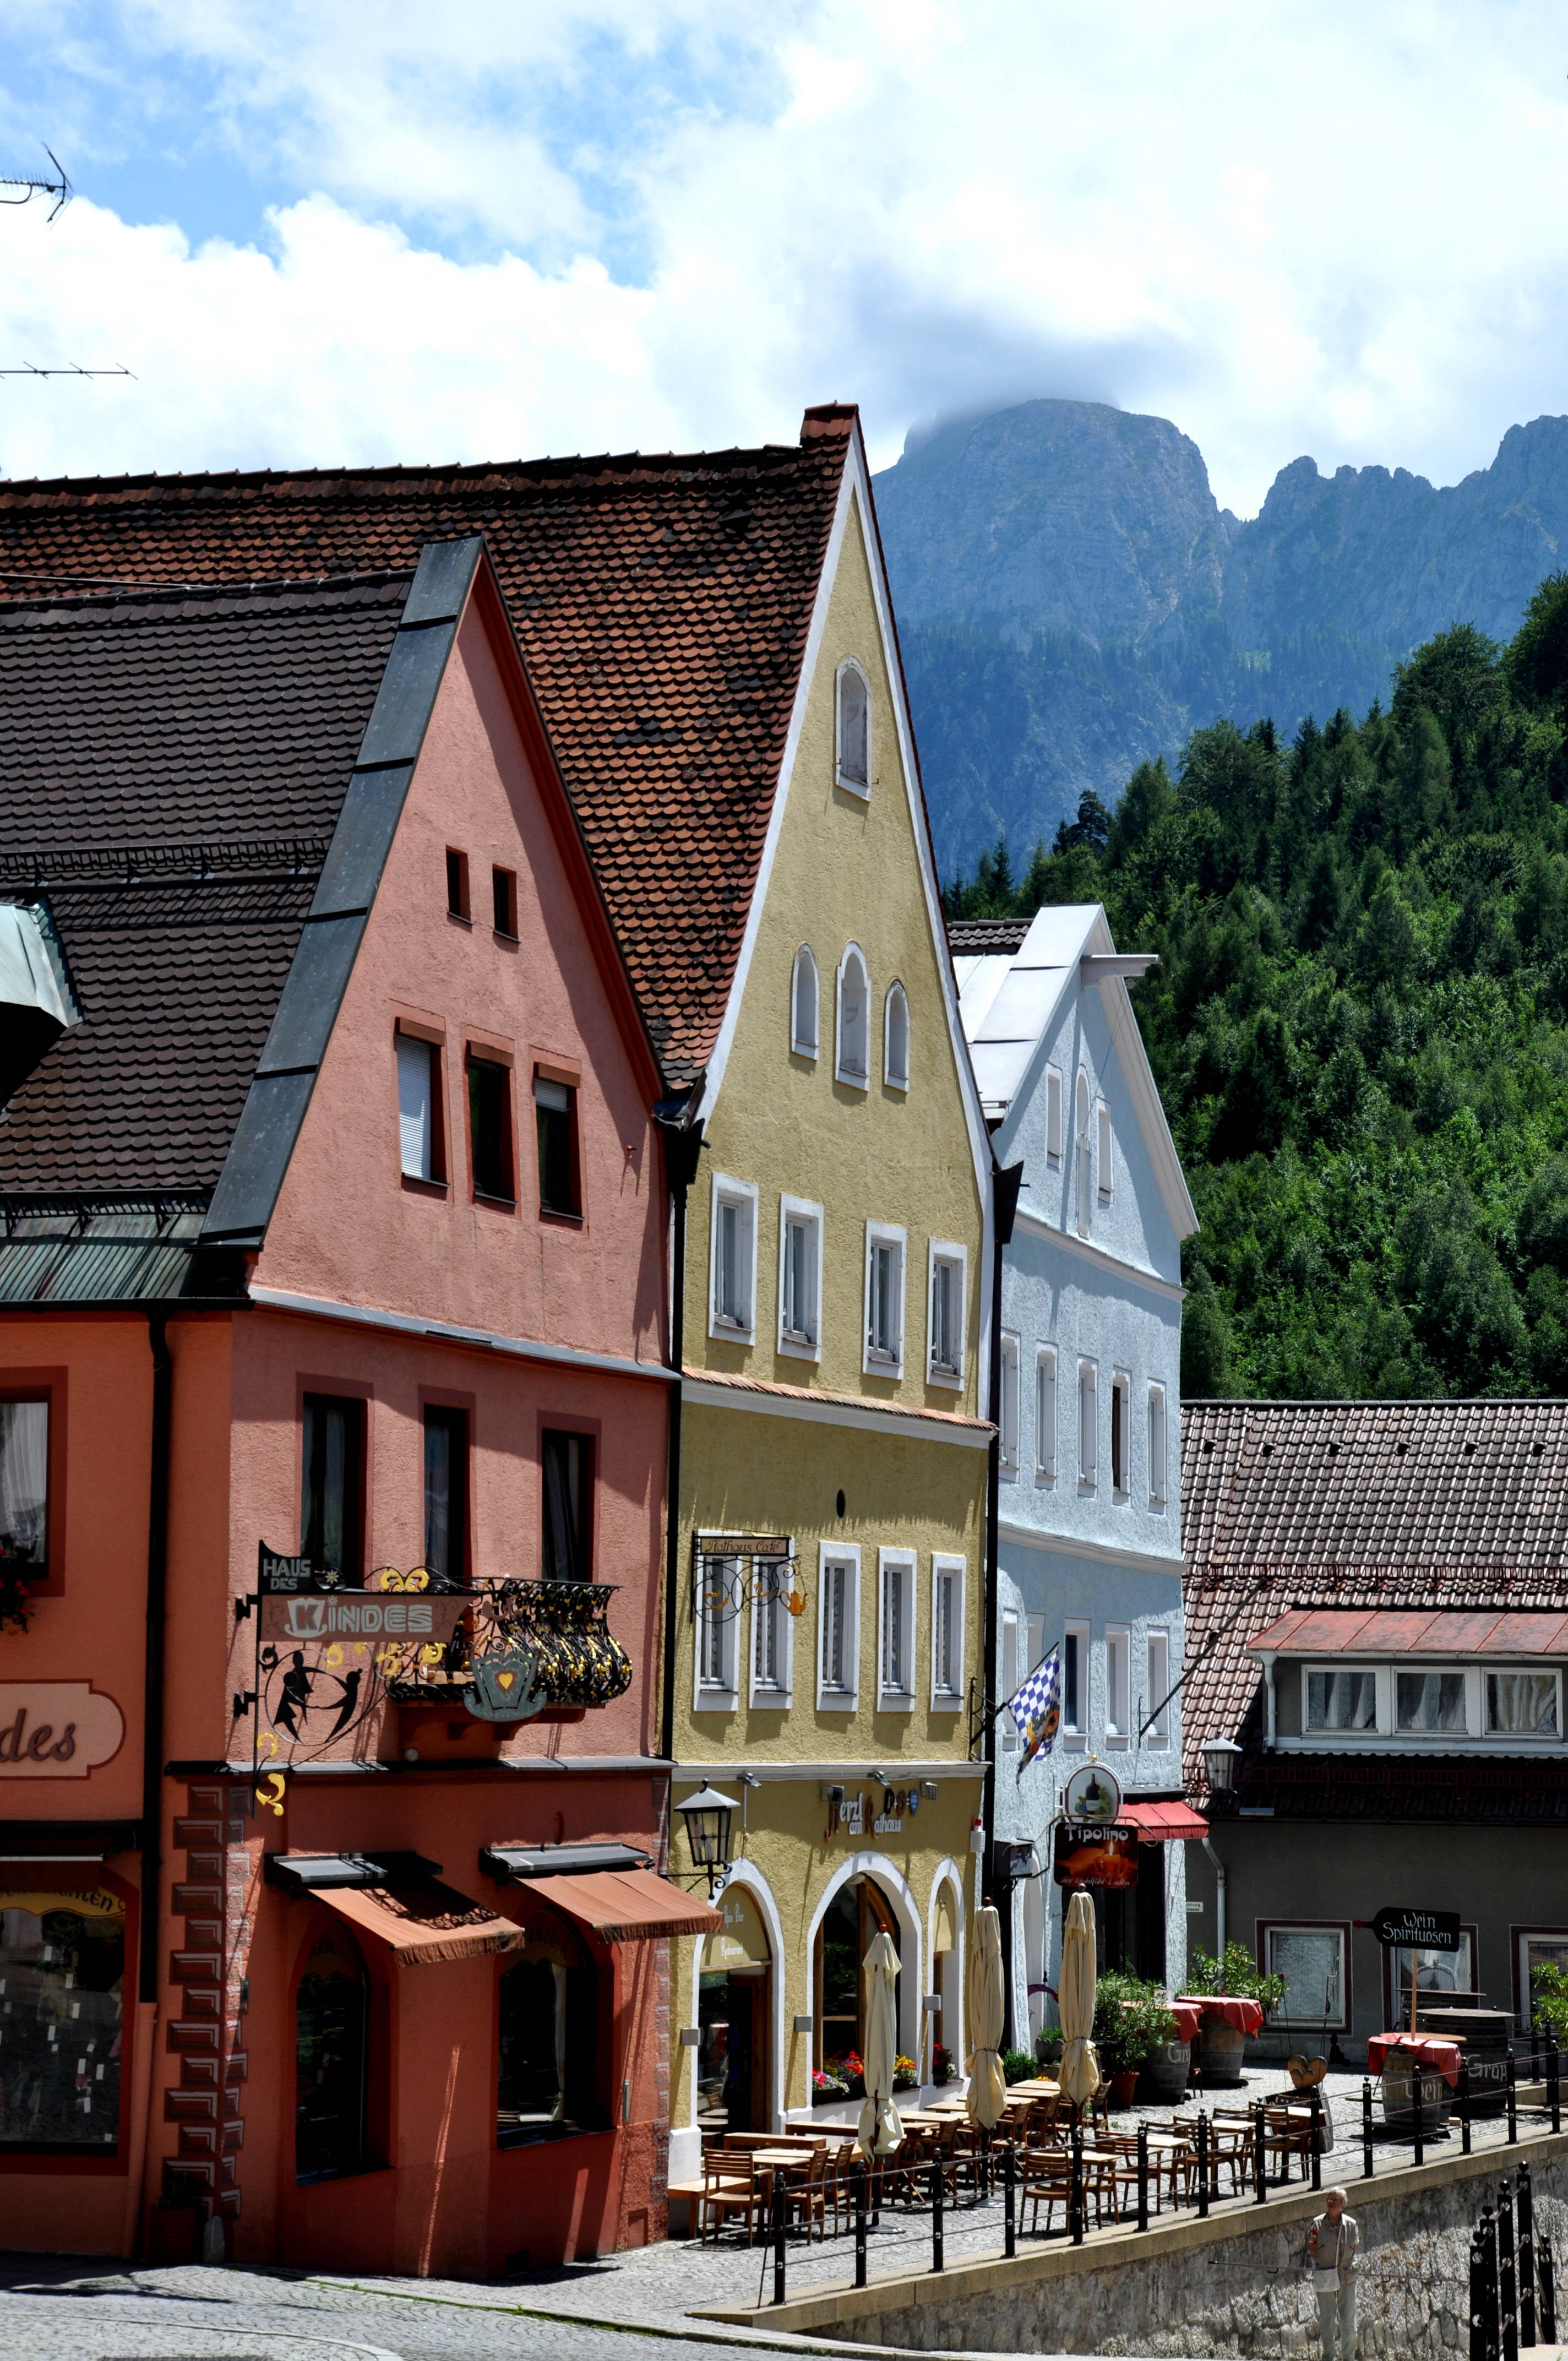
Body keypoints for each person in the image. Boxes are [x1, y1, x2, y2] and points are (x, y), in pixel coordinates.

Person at [1308, 2186, 1360, 2360]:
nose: (1330, 2202)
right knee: (1327, 2321)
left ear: (1343, 2204)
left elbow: (1355, 2246)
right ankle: (1329, 2356)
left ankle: (1348, 2357)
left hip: (1347, 2277)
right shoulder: (1317, 2224)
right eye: (1329, 2199)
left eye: (1335, 2199)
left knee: (1349, 2322)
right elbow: (1313, 2245)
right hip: (1325, 2276)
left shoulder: (1351, 2225)